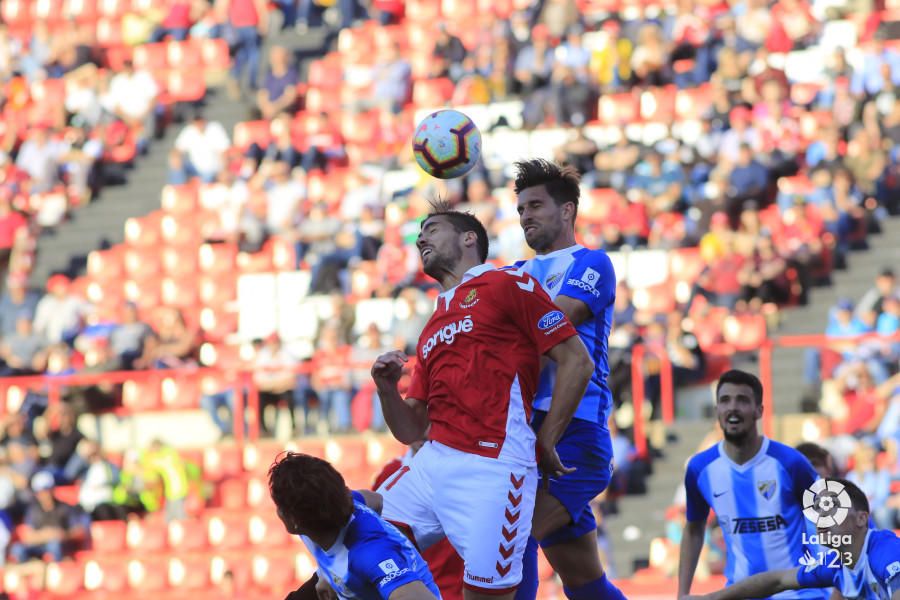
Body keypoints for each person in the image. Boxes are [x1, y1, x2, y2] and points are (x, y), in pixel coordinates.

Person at [371, 202, 594, 599]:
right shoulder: (432, 325)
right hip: (433, 462)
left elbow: (577, 360)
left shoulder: (506, 284)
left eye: (433, 229)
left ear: (469, 238)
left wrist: (548, 439)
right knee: (357, 538)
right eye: (420, 233)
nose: (422, 238)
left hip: (493, 467)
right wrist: (387, 388)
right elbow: (410, 429)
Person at [507, 159, 625, 600]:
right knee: (585, 582)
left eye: (535, 205)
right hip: (530, 433)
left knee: (512, 540)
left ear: (567, 211)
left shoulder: (592, 263)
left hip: (574, 432)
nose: (526, 217)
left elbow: (555, 321)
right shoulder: (513, 273)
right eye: (520, 209)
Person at [678, 370, 828, 600]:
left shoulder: (790, 463)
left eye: (743, 400)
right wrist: (682, 593)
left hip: (798, 594)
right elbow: (694, 528)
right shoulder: (700, 469)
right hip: (739, 594)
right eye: (725, 400)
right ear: (717, 410)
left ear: (759, 410)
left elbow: (825, 521)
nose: (733, 407)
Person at [681, 479, 900, 600]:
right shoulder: (836, 566)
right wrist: (711, 599)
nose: (822, 519)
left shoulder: (885, 550)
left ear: (862, 518)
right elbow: (777, 581)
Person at [269, 452, 440, 600]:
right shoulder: (332, 501)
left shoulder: (370, 553)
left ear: (294, 522)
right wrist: (326, 574)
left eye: (279, 506)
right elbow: (376, 500)